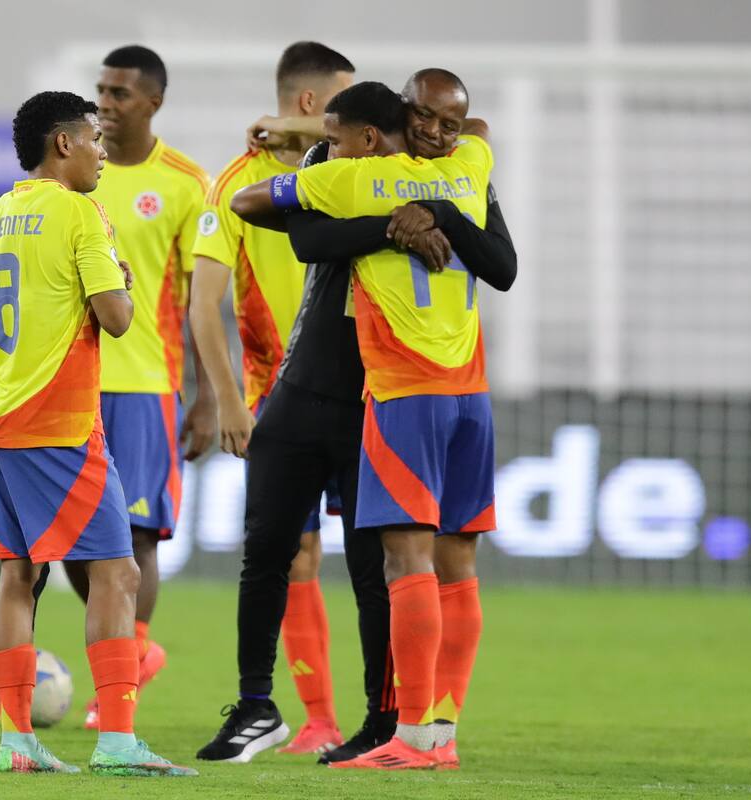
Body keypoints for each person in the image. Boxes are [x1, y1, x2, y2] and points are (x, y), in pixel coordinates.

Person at [200, 78, 517, 767]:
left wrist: (327, 158)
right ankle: (434, 730)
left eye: (444, 121)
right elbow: (480, 138)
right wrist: (415, 204)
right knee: (449, 563)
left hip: (399, 394)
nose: (435, 130)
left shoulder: (361, 179)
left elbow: (262, 209)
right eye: (423, 118)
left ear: (368, 137)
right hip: (465, 390)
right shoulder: (469, 167)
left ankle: (403, 731)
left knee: (399, 563)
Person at [0, 90, 195, 778]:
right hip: (60, 424)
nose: (102, 152)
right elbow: (119, 319)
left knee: (18, 573)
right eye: (93, 139)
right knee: (118, 570)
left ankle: (17, 742)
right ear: (62, 145)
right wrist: (116, 283)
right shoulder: (80, 213)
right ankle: (118, 742)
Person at [189, 40, 355, 757]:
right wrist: (227, 399)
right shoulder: (235, 183)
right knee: (297, 559)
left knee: (396, 554)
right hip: (279, 398)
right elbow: (204, 307)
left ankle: (415, 720)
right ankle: (316, 718)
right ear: (316, 103)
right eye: (345, 103)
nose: (358, 120)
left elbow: (416, 136)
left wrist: (294, 130)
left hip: (365, 390)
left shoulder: (355, 169)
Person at [62, 44, 216, 731]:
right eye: (100, 90)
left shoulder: (185, 182)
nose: (106, 103)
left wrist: (209, 395)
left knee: (135, 538)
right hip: (71, 384)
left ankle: (129, 663)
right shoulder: (72, 175)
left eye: (120, 93)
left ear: (152, 102)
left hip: (145, 384)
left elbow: (202, 301)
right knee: (72, 541)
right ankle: (129, 658)